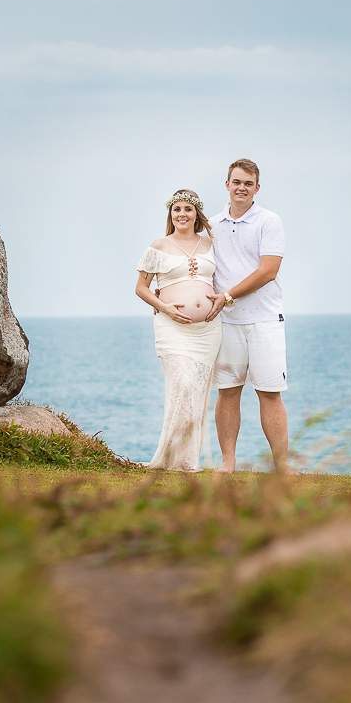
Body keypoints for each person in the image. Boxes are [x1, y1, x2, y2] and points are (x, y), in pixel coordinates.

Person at [203, 159, 293, 474]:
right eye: (236, 182)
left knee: (269, 393)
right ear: (227, 185)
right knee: (227, 392)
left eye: (248, 183)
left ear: (257, 188)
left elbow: (269, 271)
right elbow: (195, 264)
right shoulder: (211, 225)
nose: (242, 188)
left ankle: (282, 465)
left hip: (265, 320)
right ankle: (228, 462)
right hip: (225, 323)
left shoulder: (269, 221)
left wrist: (228, 296)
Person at [135, 189, 223, 471]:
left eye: (188, 209)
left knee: (197, 391)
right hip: (171, 327)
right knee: (182, 384)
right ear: (170, 214)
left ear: (196, 213)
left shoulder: (210, 244)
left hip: (208, 332)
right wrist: (165, 306)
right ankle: (169, 457)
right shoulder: (158, 246)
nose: (182, 214)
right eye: (177, 209)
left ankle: (185, 462)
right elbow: (141, 288)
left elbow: (220, 281)